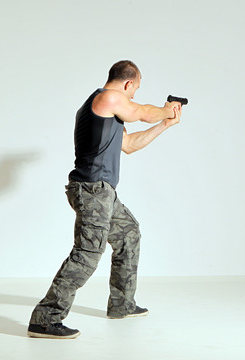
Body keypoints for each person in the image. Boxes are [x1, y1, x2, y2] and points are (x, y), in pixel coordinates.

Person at [27, 60, 182, 339]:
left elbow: (130, 145)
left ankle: (122, 304)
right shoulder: (107, 98)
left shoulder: (112, 113)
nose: (133, 95)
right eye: (135, 89)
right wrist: (163, 109)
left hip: (104, 193)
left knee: (128, 233)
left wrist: (165, 124)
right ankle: (45, 318)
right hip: (92, 191)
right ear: (128, 84)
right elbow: (142, 112)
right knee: (87, 253)